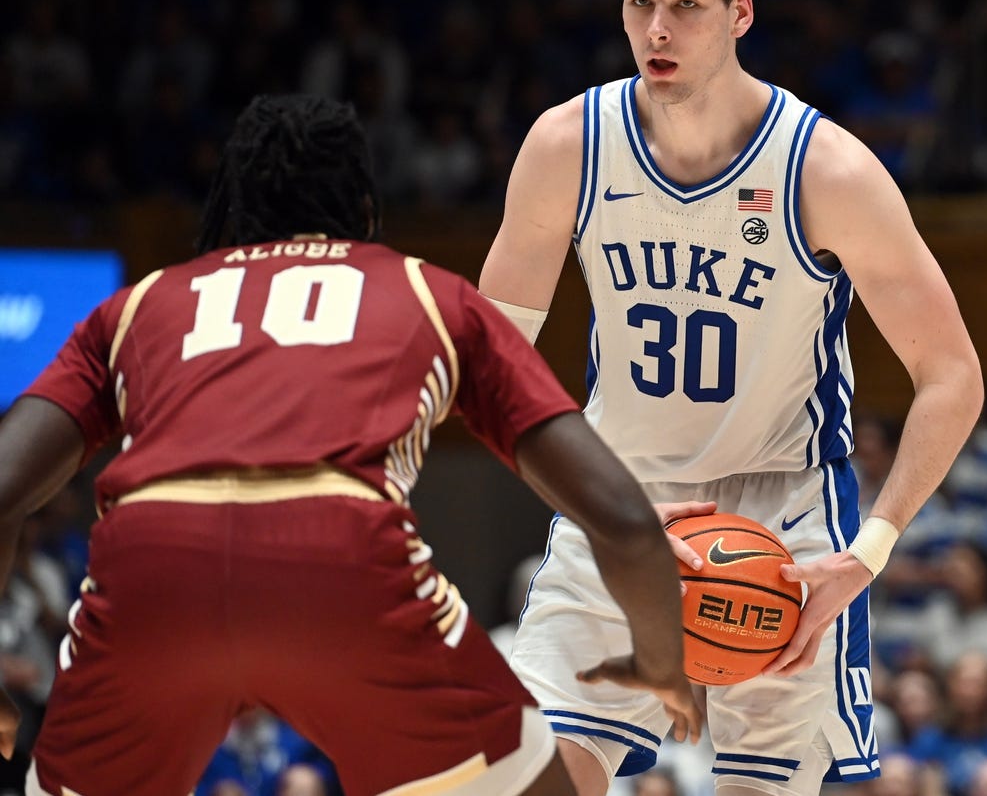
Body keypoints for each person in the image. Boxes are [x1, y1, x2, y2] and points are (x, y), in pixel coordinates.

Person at [0, 94, 702, 796]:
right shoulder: (428, 292)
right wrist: (660, 661)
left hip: (152, 569)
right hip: (339, 559)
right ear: (364, 211)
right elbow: (623, 517)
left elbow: (6, 487)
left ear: (232, 211)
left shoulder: (138, 304)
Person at [478, 0, 983, 796]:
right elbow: (487, 373)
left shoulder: (825, 169)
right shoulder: (568, 146)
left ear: (739, 11)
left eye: (685, 3)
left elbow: (951, 376)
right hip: (621, 496)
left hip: (780, 517)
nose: (656, 28)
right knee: (527, 783)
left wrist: (865, 552)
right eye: (638, 1)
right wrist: (592, 503)